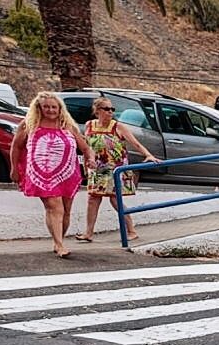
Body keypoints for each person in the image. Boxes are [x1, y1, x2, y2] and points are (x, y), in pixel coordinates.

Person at [11, 91, 94, 258]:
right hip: (40, 174)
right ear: (39, 108)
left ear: (60, 108)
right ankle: (59, 244)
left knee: (66, 210)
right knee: (54, 207)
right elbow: (16, 146)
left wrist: (90, 159)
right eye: (46, 107)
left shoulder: (67, 125)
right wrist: (14, 168)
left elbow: (85, 148)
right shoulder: (29, 125)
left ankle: (58, 240)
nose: (50, 110)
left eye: (54, 107)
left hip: (67, 172)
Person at [77, 97, 159, 243]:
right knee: (92, 199)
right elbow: (87, 146)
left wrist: (148, 155)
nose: (111, 112)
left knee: (115, 200)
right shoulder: (89, 125)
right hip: (97, 169)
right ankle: (88, 233)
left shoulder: (118, 127)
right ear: (97, 111)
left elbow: (135, 143)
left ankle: (131, 230)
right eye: (107, 109)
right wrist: (86, 164)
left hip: (115, 169)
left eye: (112, 109)